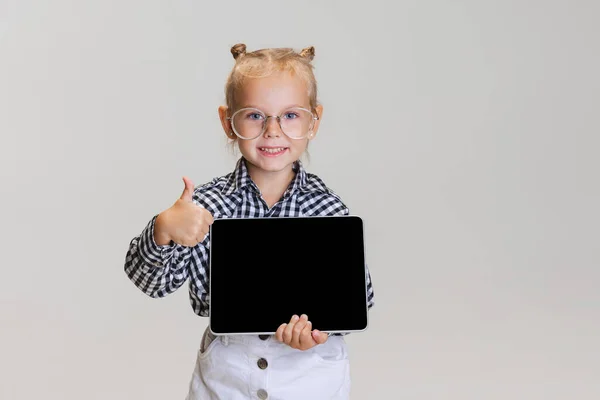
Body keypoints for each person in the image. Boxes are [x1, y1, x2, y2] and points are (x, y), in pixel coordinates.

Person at [124, 43, 375, 400]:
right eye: (255, 115)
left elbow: (358, 301)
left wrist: (320, 330)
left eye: (290, 115)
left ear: (313, 121)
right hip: (228, 377)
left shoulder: (329, 209)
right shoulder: (203, 206)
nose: (272, 130)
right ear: (229, 121)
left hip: (310, 376)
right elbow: (152, 283)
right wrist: (162, 228)